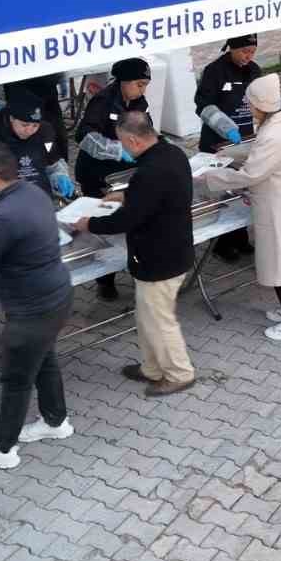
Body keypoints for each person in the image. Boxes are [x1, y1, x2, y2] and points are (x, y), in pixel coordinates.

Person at [0, 141, 74, 471]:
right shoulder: (33, 192)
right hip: (55, 297)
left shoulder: (2, 216)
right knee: (45, 360)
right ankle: (55, 421)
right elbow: (4, 240)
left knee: (16, 378)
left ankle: (2, 449)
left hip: (31, 310)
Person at [77, 112, 197, 395]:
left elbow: (127, 219)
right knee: (146, 316)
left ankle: (180, 373)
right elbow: (155, 196)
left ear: (133, 139)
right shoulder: (171, 153)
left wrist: (89, 223)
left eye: (122, 143)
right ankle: (152, 368)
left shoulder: (151, 171)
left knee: (159, 319)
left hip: (160, 258)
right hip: (171, 250)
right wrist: (127, 194)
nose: (124, 149)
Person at [198, 76, 281, 341]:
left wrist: (209, 178)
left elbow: (251, 174)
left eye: (250, 103)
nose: (248, 107)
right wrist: (229, 154)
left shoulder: (273, 134)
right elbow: (258, 149)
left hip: (279, 209)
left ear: (261, 104)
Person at [72, 57, 150, 301]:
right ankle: (105, 281)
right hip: (96, 173)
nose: (142, 89)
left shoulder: (140, 101)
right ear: (124, 81)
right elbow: (83, 136)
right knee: (102, 224)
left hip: (124, 173)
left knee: (129, 220)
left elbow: (146, 130)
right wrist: (117, 150)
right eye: (139, 84)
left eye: (145, 84)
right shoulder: (103, 100)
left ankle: (135, 267)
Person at [195, 34, 261, 261]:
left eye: (252, 52)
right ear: (231, 48)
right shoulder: (214, 71)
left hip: (244, 140)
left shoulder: (254, 70)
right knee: (221, 193)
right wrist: (224, 126)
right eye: (244, 51)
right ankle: (222, 244)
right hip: (217, 143)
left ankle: (241, 238)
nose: (248, 56)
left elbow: (261, 99)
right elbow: (203, 105)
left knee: (241, 190)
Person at [0, 87, 71, 199]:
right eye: (24, 125)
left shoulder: (45, 131)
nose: (29, 131)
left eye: (35, 125)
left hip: (40, 196)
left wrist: (60, 174)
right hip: (6, 199)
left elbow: (53, 160)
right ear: (11, 118)